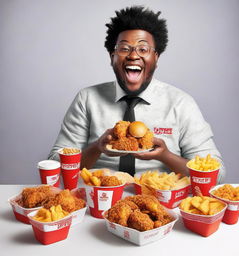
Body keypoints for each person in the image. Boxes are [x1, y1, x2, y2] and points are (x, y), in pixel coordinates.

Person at [49, 6, 225, 182]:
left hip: (161, 200)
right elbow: (54, 165)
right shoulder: (87, 99)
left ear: (156, 58)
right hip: (99, 198)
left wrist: (165, 156)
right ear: (112, 57)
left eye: (143, 49)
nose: (133, 55)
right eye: (124, 48)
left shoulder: (181, 103)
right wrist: (97, 147)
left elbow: (217, 174)